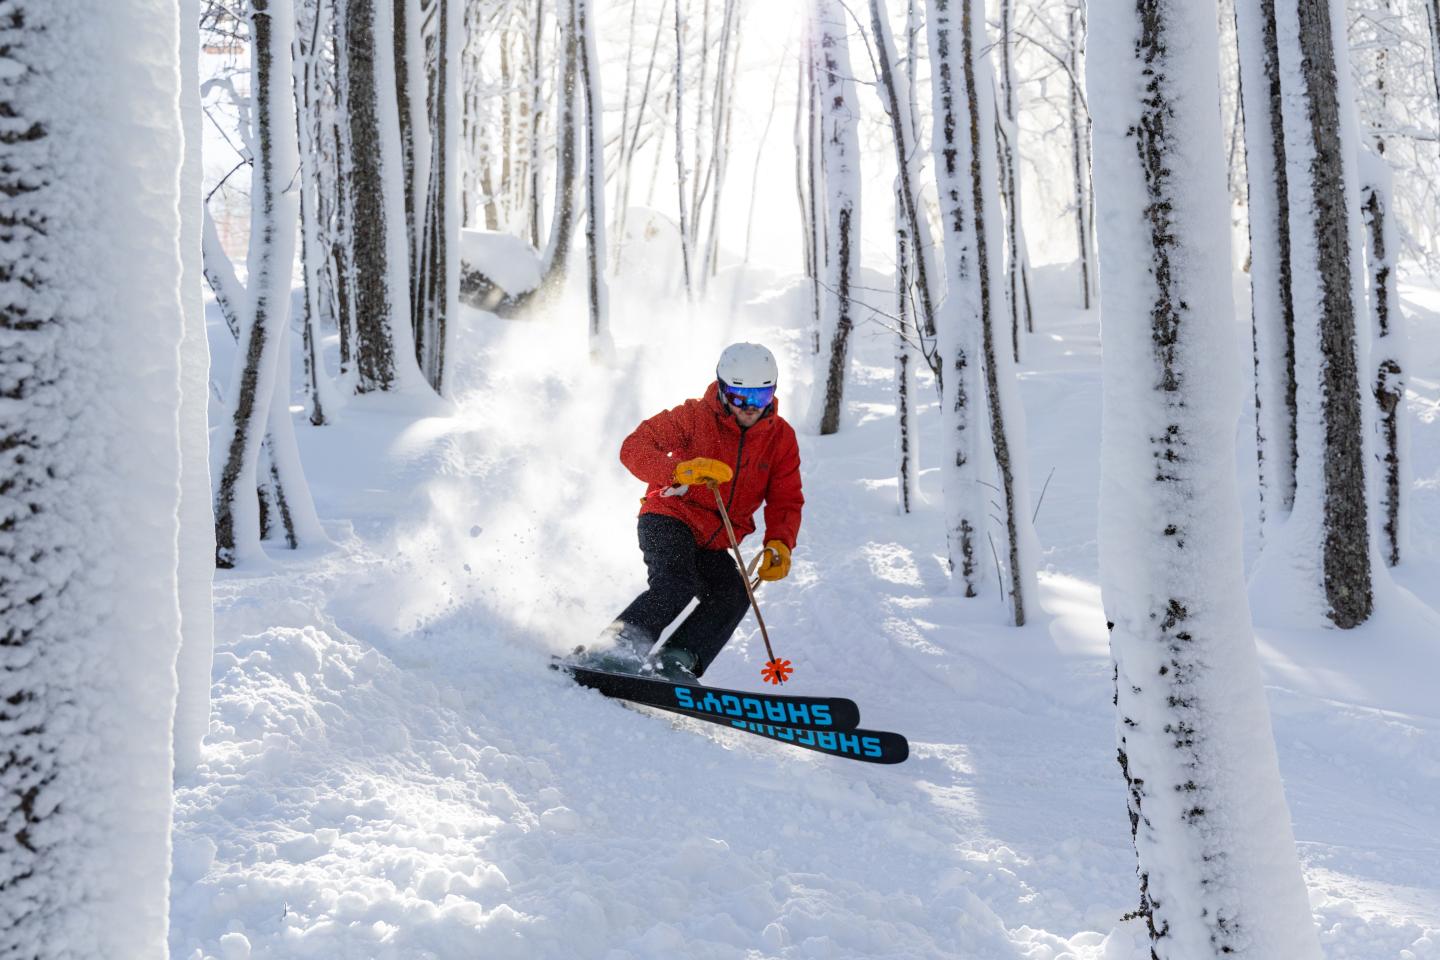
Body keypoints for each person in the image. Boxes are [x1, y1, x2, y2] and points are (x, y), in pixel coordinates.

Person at [580, 342, 804, 682]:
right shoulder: (694, 416)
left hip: (713, 541)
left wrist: (780, 543)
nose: (749, 408)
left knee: (733, 594)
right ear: (723, 389)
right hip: (668, 517)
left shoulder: (781, 438)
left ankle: (675, 661)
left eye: (759, 398)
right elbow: (634, 448)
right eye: (740, 397)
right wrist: (679, 470)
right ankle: (615, 648)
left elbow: (786, 498)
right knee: (675, 583)